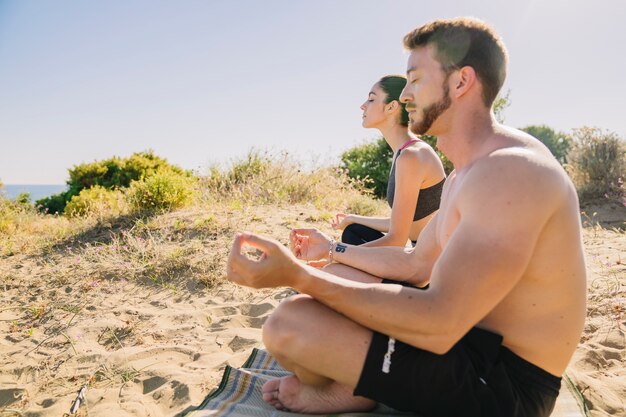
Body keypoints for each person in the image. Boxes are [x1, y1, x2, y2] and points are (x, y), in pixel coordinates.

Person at [227, 17, 586, 417]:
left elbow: (440, 324)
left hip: (505, 386)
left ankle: (349, 391)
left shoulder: (509, 172)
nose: (407, 94)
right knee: (336, 282)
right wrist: (329, 253)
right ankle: (359, 385)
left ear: (461, 82)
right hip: (467, 344)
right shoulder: (465, 173)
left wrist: (299, 277)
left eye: (414, 79)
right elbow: (415, 264)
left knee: (289, 324)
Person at [334, 75, 445, 247]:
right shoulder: (402, 153)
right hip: (419, 250)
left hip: (433, 262)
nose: (363, 105)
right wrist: (351, 218)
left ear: (392, 106)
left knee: (348, 248)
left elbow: (397, 239)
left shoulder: (412, 156)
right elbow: (401, 225)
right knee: (354, 231)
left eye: (371, 99)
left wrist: (334, 253)